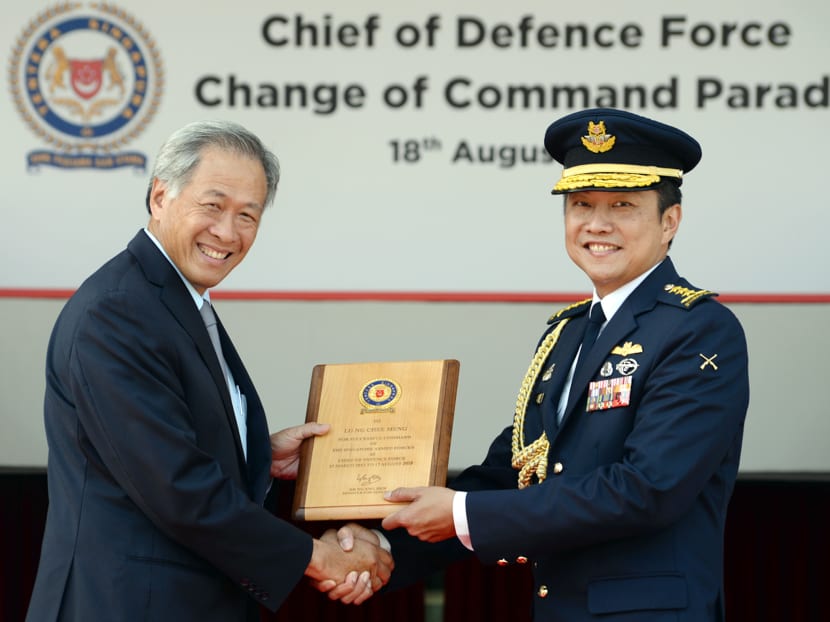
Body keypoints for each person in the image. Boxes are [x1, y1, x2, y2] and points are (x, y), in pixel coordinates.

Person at [339, 108, 750, 620]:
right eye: (581, 204)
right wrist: (385, 544)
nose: (597, 224)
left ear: (670, 221)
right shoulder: (569, 332)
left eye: (622, 205)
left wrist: (461, 514)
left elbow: (647, 490)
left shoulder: (699, 329)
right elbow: (517, 470)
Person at [25, 120, 392, 622]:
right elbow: (177, 488)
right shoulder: (117, 312)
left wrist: (257, 456)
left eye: (248, 215)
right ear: (159, 196)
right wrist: (318, 556)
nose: (227, 232)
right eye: (213, 205)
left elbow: (165, 451)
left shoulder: (173, 302)